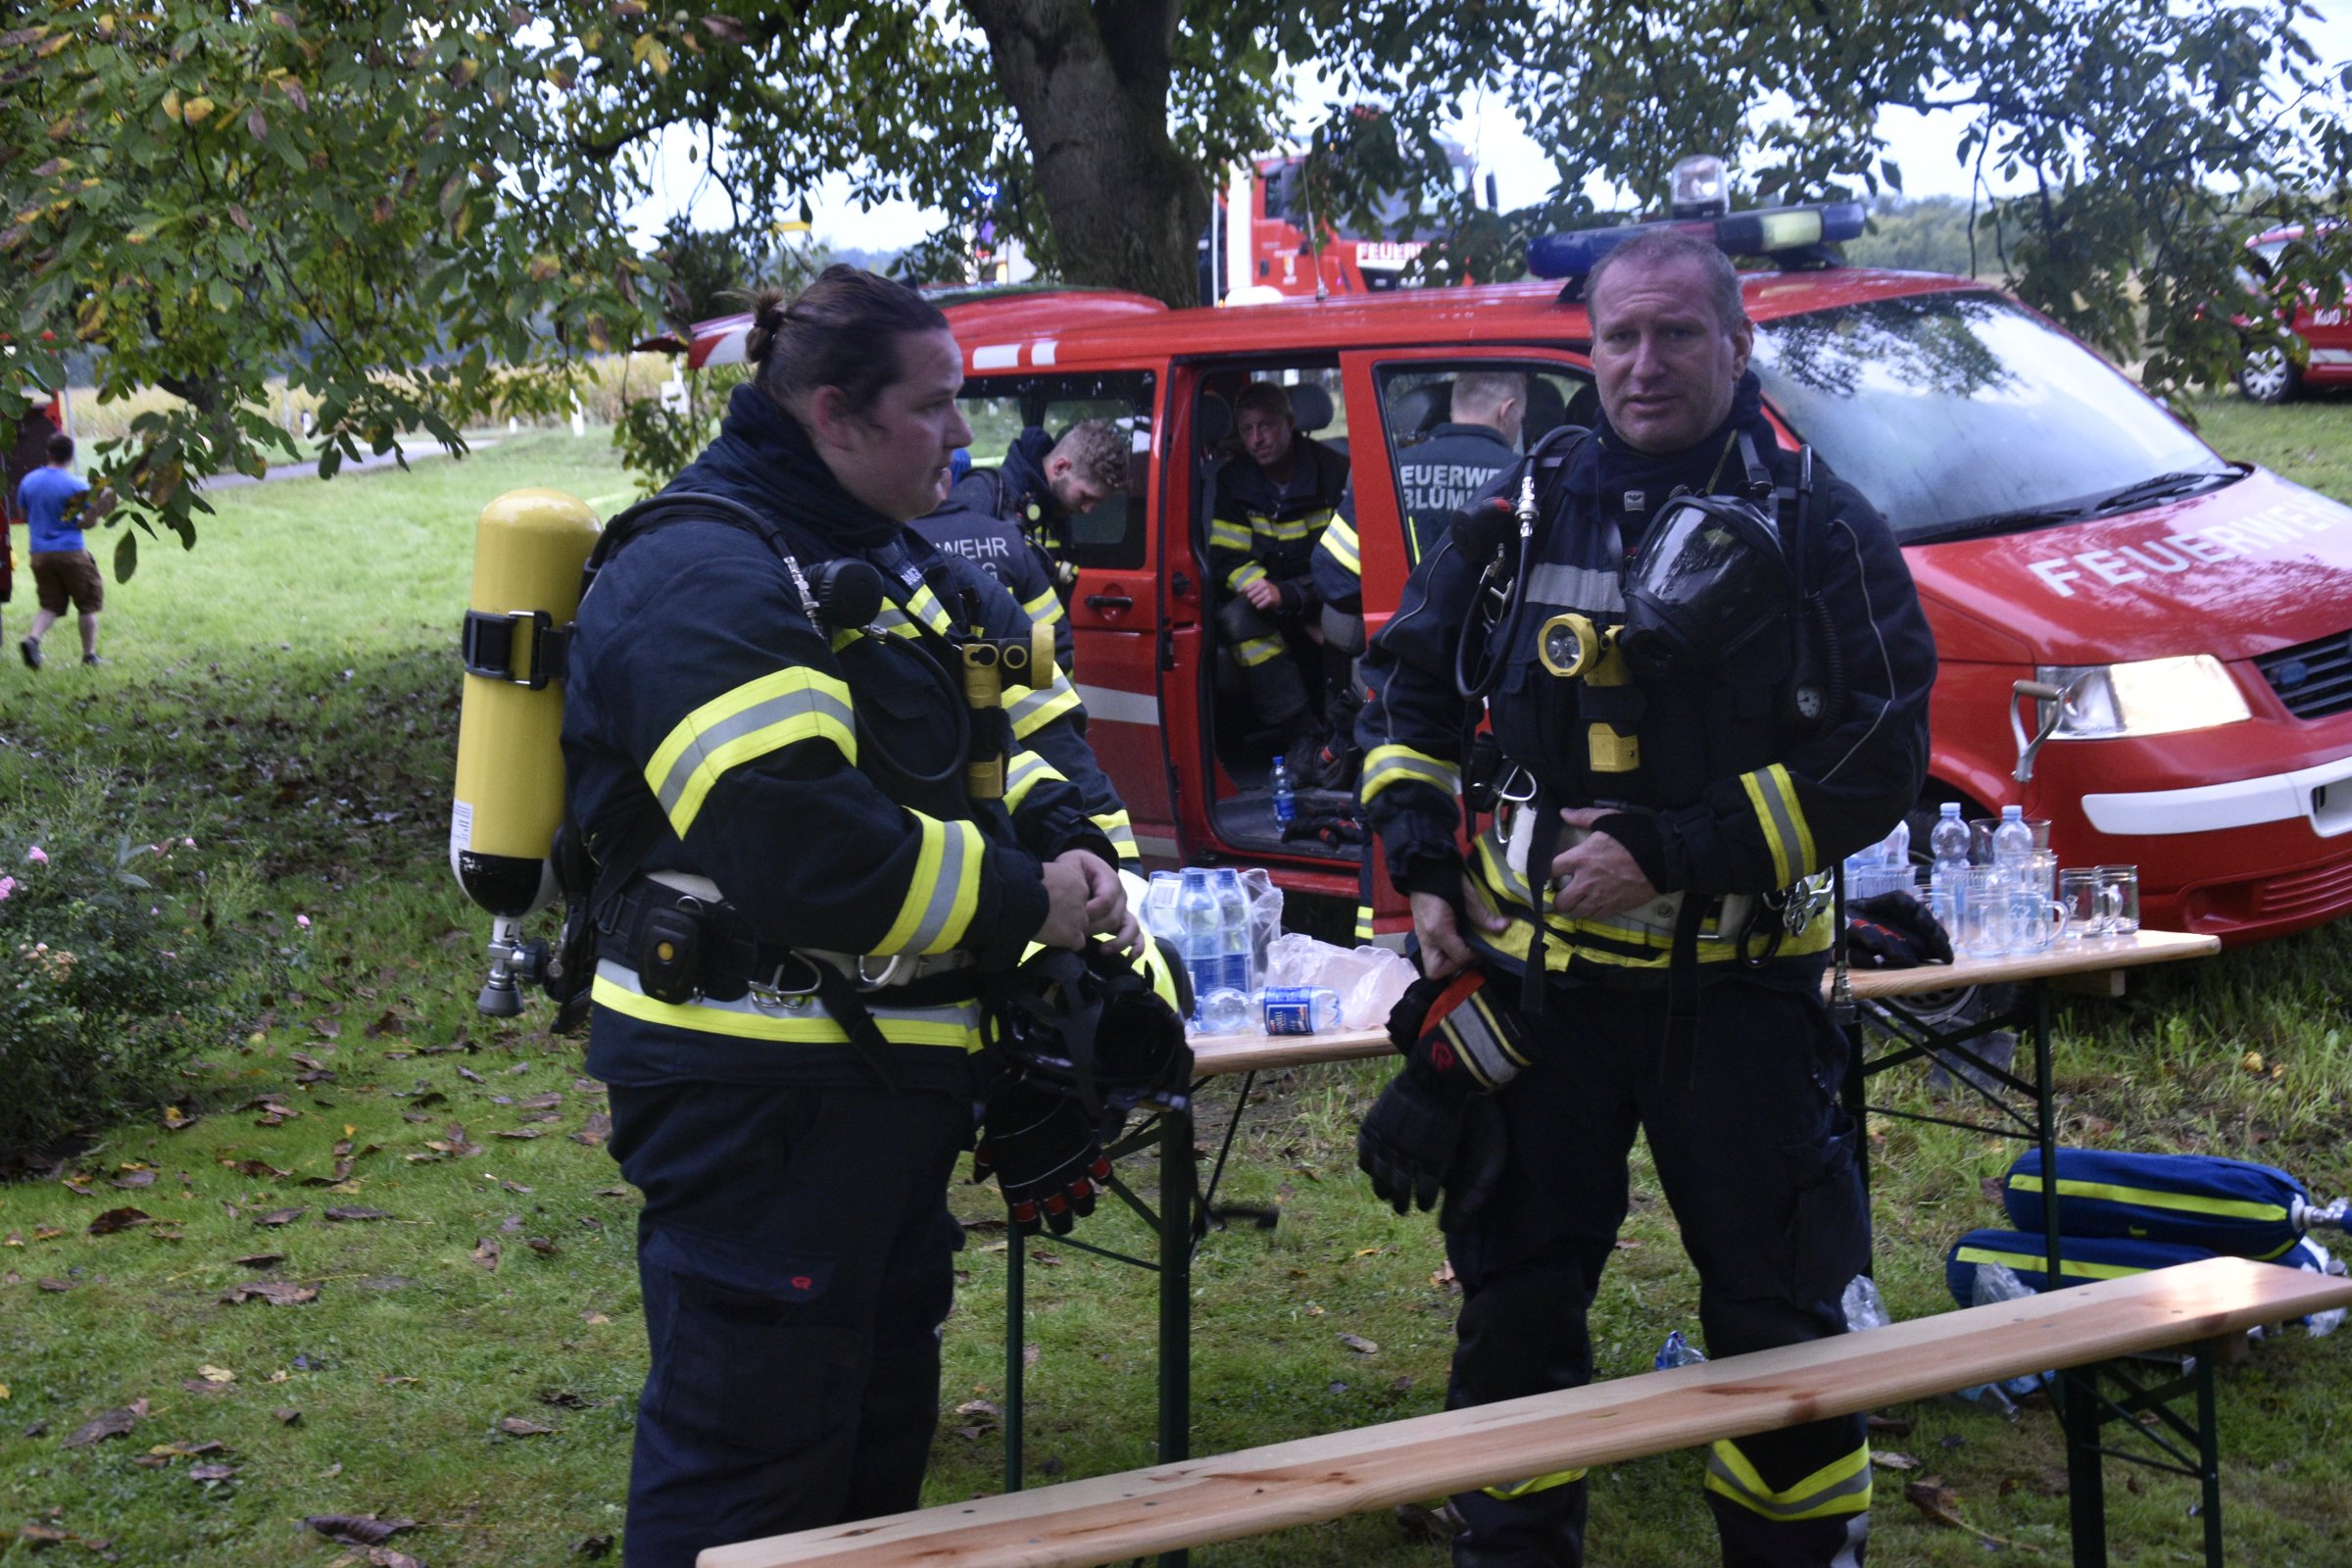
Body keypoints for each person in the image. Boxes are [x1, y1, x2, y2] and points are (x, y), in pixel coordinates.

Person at [1352, 226, 1936, 1568]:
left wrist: (1677, 850)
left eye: (1678, 333)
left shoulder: (1817, 523)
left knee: (1783, 1323)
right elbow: (1408, 688)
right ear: (1589, 349)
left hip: (1740, 1003)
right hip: (1539, 1008)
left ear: (1738, 346)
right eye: (1619, 335)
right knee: (1514, 1313)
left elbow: (1882, 754)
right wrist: (1425, 866)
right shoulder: (1519, 508)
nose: (1645, 361)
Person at [561, 266, 1154, 1567]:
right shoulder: (705, 578)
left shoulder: (913, 574)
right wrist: (1028, 903)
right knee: (749, 1479)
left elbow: (1017, 736)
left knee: (875, 1460)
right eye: (937, 407)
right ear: (836, 411)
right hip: (757, 1103)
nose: (965, 437)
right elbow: (807, 854)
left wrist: (1065, 839)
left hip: (884, 1096)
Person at [1307, 369, 1527, 787]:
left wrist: (1405, 608)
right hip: (1490, 678)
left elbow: (1332, 574)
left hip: (1399, 682)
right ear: (1508, 411)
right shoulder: (1522, 479)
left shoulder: (1392, 470)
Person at [1207, 380, 1350, 769]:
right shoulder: (1234, 481)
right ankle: (1301, 735)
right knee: (1236, 617)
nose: (1257, 439)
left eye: (1267, 426)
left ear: (1290, 423)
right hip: (1271, 604)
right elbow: (1226, 559)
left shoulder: (1335, 473)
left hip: (1327, 597)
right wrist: (1266, 593)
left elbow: (1349, 564)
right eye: (1247, 430)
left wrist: (1293, 598)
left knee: (1347, 621)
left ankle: (1346, 739)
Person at [948, 416, 1127, 607]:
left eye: (1096, 502)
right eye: (1085, 496)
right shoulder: (985, 496)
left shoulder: (1056, 512)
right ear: (1061, 467)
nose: (1088, 509)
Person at [15, 432, 115, 669]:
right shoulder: (76, 485)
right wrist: (95, 513)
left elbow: (22, 516)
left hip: (39, 554)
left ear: (48, 453)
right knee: (87, 603)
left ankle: (32, 640)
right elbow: (88, 522)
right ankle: (89, 656)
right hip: (71, 553)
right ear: (70, 456)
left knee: (50, 604)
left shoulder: (29, 481)